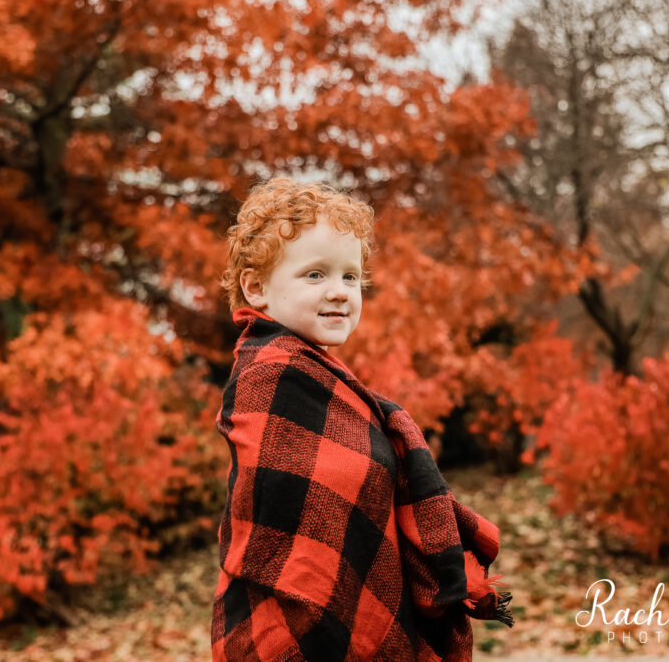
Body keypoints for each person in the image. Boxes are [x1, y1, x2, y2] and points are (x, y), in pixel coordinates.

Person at [212, 178, 512, 661]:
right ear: (256, 287)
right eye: (314, 275)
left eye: (351, 277)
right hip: (291, 615)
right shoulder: (269, 377)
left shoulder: (331, 381)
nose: (339, 292)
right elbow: (287, 518)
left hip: (359, 600)